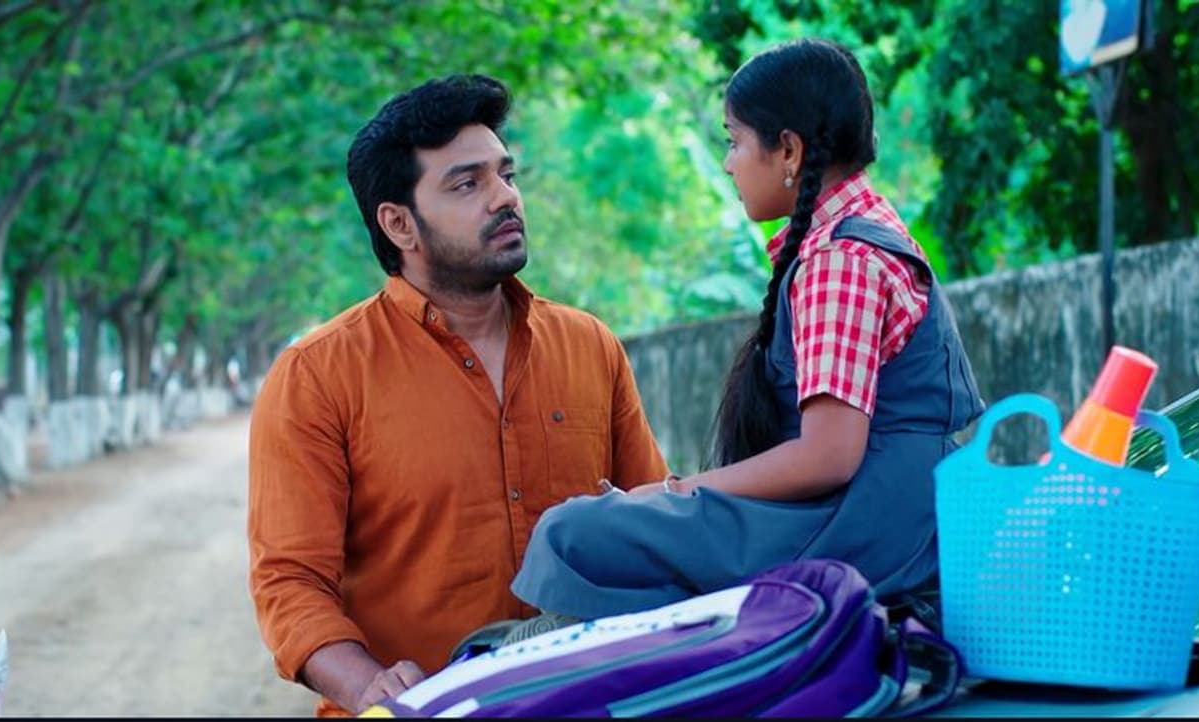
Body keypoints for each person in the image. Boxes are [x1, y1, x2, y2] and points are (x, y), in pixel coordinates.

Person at [511, 38, 985, 620]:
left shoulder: (839, 259)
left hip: (865, 525)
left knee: (574, 532)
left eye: (734, 142)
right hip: (880, 513)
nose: (728, 163)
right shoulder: (859, 230)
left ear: (788, 150)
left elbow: (829, 456)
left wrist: (679, 490)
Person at [247, 74, 669, 717]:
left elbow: (653, 521)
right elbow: (290, 582)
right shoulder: (318, 375)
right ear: (399, 224)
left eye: (506, 174)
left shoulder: (590, 345)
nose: (505, 197)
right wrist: (370, 687)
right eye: (467, 184)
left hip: (587, 701)